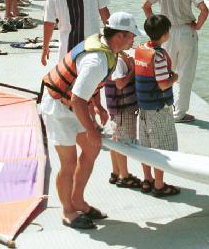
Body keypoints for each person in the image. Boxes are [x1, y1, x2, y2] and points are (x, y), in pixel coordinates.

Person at [40, 12, 141, 230]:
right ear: (120, 36)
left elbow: (86, 86)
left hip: (75, 104)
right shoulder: (96, 60)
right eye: (132, 35)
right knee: (69, 161)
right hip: (58, 107)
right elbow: (77, 98)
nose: (134, 40)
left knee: (91, 151)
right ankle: (68, 211)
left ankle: (78, 201)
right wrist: (92, 129)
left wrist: (97, 106)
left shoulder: (108, 50)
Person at [141, 0, 209, 123]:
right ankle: (179, 113)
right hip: (186, 31)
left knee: (165, 71)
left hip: (166, 32)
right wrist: (198, 25)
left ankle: (162, 105)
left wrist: (154, 24)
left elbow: (145, 5)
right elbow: (204, 9)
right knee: (186, 73)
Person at [134, 14, 181, 197]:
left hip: (144, 108)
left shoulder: (140, 49)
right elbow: (163, 84)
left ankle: (147, 180)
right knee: (160, 148)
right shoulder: (158, 57)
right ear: (165, 34)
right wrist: (174, 78)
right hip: (158, 108)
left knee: (145, 146)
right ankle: (159, 185)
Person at [104, 50, 142, 189]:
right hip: (122, 108)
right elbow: (120, 84)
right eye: (129, 36)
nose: (132, 40)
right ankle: (124, 176)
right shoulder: (119, 61)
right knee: (123, 141)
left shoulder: (114, 57)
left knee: (116, 139)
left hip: (117, 108)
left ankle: (116, 172)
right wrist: (132, 70)